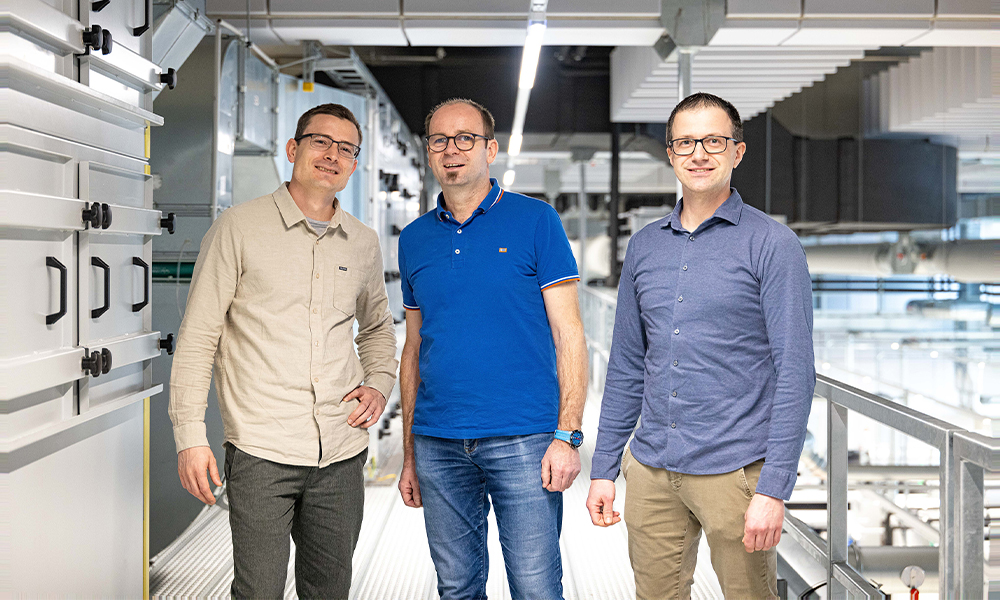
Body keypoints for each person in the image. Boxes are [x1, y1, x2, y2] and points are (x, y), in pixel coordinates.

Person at [586, 92, 815, 599]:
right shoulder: (644, 246)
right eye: (686, 142)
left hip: (735, 470)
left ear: (738, 151)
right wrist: (603, 469)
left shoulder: (772, 245)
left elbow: (796, 372)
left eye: (714, 140)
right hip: (650, 469)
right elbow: (626, 366)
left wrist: (774, 488)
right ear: (670, 154)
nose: (699, 153)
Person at [168, 103, 398, 599]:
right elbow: (198, 337)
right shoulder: (238, 228)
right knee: (259, 591)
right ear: (294, 149)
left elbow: (377, 327)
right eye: (321, 142)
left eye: (346, 149)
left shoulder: (362, 242)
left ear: (354, 164)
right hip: (261, 450)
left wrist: (379, 385)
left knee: (330, 590)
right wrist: (190, 436)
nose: (332, 155)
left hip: (340, 449)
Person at [396, 98, 588, 600]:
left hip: (524, 439)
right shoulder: (414, 239)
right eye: (439, 140)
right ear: (429, 152)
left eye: (466, 139)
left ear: (490, 149)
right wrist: (410, 453)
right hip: (438, 442)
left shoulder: (536, 221)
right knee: (457, 586)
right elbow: (413, 348)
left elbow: (570, 334)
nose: (451, 150)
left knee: (535, 587)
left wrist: (567, 434)